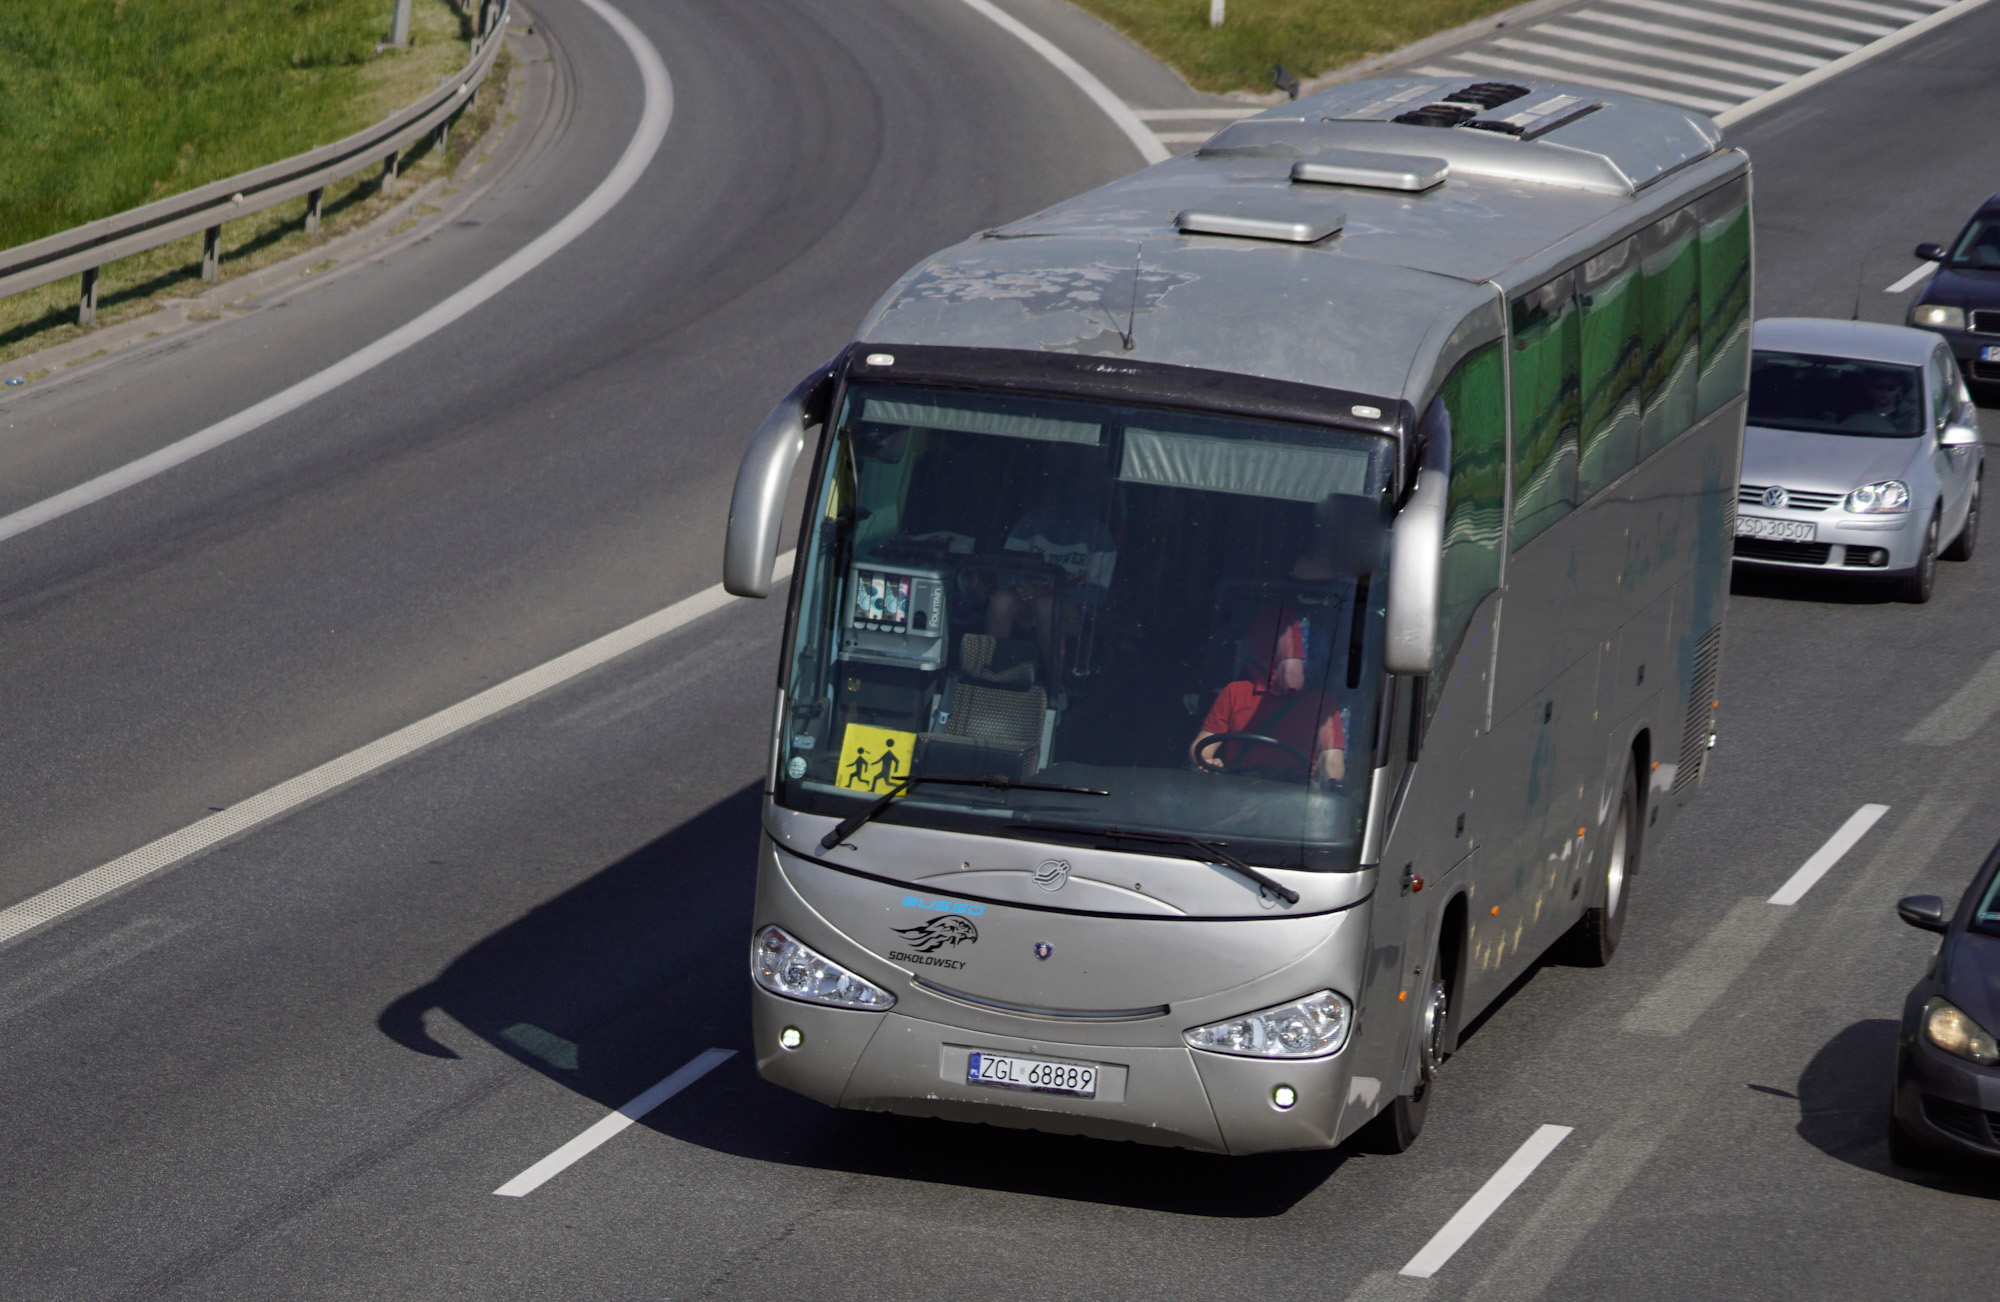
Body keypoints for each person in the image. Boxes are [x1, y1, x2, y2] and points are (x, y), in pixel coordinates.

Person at [1189, 607, 1345, 782]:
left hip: (1297, 796)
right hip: (1238, 788)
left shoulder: (1322, 704)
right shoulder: (1234, 692)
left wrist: (1325, 786)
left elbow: (1332, 761)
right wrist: (1209, 762)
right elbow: (1202, 745)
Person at [985, 469, 1116, 677]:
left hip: (1072, 613)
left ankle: (1056, 685)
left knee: (1048, 606)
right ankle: (996, 678)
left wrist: (1052, 592)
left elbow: (1098, 594)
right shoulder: (1030, 524)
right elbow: (1006, 569)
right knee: (1000, 601)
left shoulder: (1100, 536)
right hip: (1025, 603)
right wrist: (1019, 586)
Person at [1840, 370, 1915, 434]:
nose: (1884, 391)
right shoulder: (1857, 419)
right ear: (1870, 390)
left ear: (1899, 391)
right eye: (1879, 387)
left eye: (1891, 388)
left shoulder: (1907, 420)